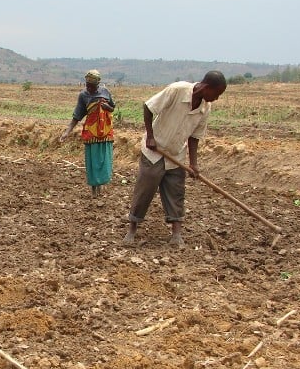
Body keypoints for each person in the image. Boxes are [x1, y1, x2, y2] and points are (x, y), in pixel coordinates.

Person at [123, 70, 227, 246]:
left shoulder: (204, 108)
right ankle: (132, 229)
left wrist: (193, 163)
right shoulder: (177, 90)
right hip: (154, 150)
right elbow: (148, 107)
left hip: (176, 154)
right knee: (145, 189)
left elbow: (195, 136)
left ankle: (176, 234)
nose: (216, 98)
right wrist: (150, 136)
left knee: (176, 192)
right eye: (216, 94)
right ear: (207, 87)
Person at [59, 69, 116, 198]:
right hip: (91, 132)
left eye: (91, 86)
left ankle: (101, 189)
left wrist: (108, 108)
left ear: (98, 84)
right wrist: (67, 132)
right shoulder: (83, 95)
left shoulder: (105, 92)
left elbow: (113, 107)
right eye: (87, 85)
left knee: (103, 161)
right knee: (93, 162)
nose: (88, 88)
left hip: (105, 131)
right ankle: (94, 191)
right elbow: (77, 116)